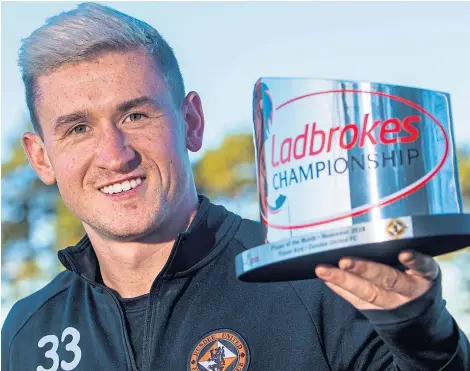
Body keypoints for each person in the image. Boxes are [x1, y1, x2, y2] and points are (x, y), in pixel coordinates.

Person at [2, 3, 469, 371]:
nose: (114, 154)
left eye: (136, 115)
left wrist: (425, 341)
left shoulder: (323, 277)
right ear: (41, 156)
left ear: (192, 122)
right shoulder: (25, 330)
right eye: (78, 128)